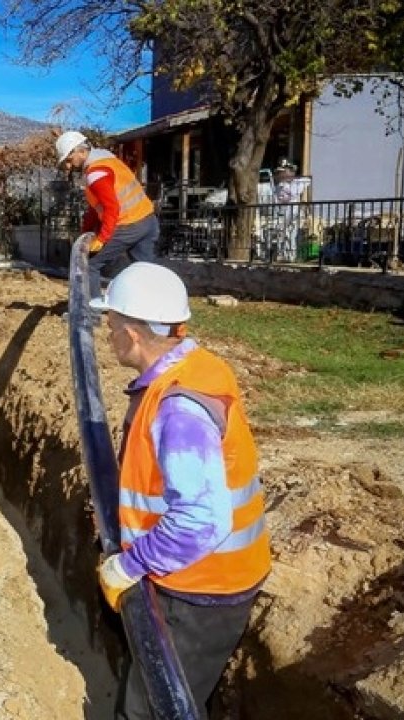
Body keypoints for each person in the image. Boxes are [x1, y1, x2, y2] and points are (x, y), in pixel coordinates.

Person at [88, 262, 271, 719]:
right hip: (197, 577)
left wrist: (127, 566)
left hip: (199, 590)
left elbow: (200, 521)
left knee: (150, 711)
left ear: (131, 336)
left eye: (109, 326)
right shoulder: (196, 366)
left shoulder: (180, 410)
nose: (106, 335)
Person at [56, 130, 159, 298]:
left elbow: (111, 208)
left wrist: (101, 239)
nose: (69, 166)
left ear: (81, 152)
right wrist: (86, 233)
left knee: (91, 265)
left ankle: (92, 314)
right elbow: (96, 208)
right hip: (148, 220)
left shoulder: (96, 173)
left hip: (128, 224)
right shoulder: (106, 158)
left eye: (69, 160)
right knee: (145, 270)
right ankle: (154, 314)